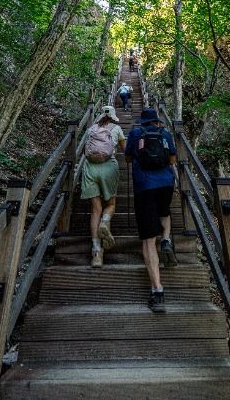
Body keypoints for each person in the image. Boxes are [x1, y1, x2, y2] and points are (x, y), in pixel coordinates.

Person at [125, 109, 177, 313]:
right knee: (164, 212)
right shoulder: (165, 133)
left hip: (144, 186)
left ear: (142, 121)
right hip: (166, 183)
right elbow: (172, 160)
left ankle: (157, 290)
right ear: (156, 121)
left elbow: (128, 159)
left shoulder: (135, 133)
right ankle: (166, 239)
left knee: (148, 239)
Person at [81, 105, 126, 267]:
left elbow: (85, 149)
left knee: (95, 209)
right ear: (113, 117)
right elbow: (126, 150)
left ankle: (96, 253)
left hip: (90, 168)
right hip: (108, 168)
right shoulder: (117, 128)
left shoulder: (91, 129)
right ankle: (105, 222)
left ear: (101, 116)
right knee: (111, 204)